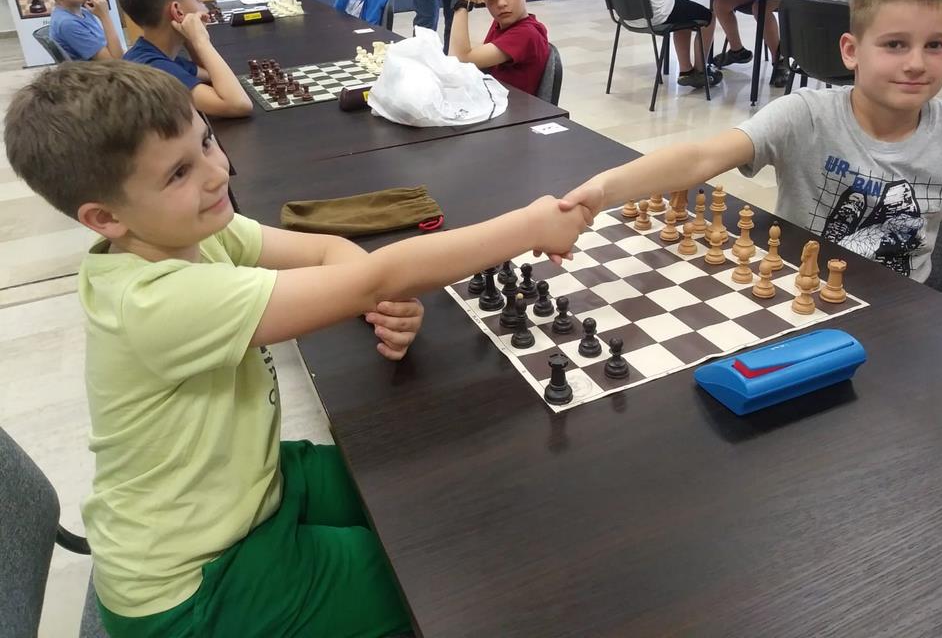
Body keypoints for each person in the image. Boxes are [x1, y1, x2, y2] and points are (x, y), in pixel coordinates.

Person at [3, 59, 590, 638]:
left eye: (205, 142)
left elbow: (329, 253)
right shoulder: (152, 302)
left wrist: (377, 301)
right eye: (178, 173)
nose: (216, 173)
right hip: (194, 586)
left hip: (249, 483)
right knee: (436, 578)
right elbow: (375, 275)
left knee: (429, 488)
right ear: (105, 217)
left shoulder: (190, 233)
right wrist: (527, 227)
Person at [559, 0, 942, 328]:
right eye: (895, 44)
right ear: (851, 51)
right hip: (795, 308)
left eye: (936, 45)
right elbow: (701, 157)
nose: (916, 64)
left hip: (901, 323)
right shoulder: (806, 115)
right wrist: (602, 191)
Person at [118, 0, 252, 119]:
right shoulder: (155, 70)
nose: (206, 9)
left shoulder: (154, 55)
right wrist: (201, 41)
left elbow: (212, 77)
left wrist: (190, 41)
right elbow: (238, 104)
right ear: (178, 11)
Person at [449, 0, 550, 96]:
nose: (501, 3)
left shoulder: (526, 34)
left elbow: (459, 60)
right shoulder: (501, 24)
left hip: (513, 110)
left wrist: (463, 1)